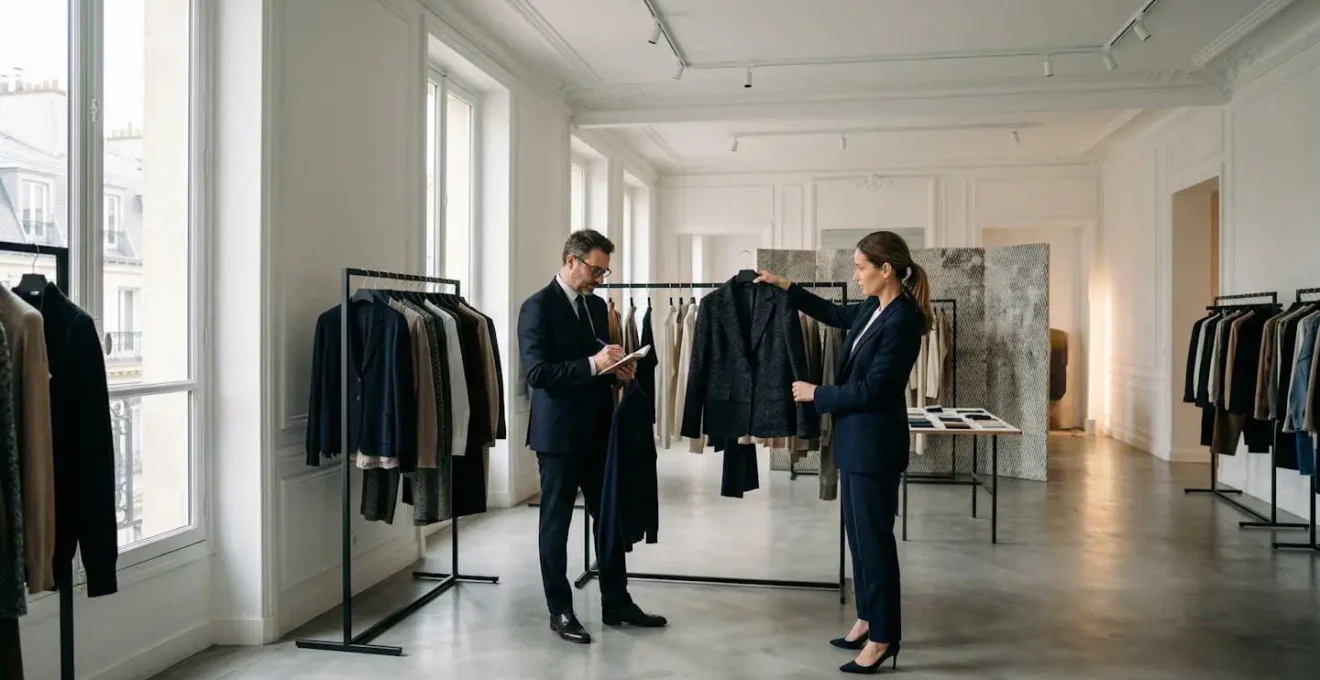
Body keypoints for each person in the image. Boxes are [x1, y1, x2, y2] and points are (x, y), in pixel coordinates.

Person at [755, 230, 930, 674]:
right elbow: (834, 313)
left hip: (875, 446)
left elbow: (876, 389)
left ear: (885, 270)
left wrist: (818, 393)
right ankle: (868, 617)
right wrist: (786, 288)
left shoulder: (903, 320)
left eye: (860, 267)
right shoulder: (875, 308)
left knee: (875, 544)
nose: (855, 276)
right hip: (855, 442)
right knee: (859, 539)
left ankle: (885, 637)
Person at [517, 229, 668, 644]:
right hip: (558, 437)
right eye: (595, 269)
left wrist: (616, 370)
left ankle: (616, 602)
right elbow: (537, 374)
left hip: (602, 430)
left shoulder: (598, 307)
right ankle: (560, 610)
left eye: (605, 271)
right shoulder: (537, 308)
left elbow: (596, 362)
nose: (601, 278)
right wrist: (591, 364)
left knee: (610, 518)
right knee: (556, 524)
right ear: (570, 260)